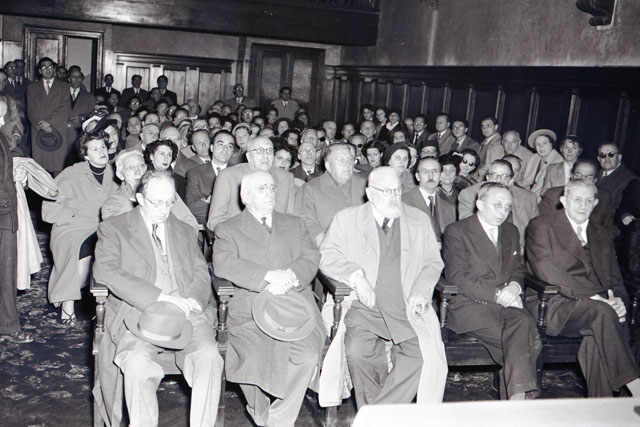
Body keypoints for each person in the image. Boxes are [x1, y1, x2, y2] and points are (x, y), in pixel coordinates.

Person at [93, 170, 223, 427]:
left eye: (169, 202)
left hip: (187, 314)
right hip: (138, 315)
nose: (164, 210)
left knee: (209, 357)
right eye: (157, 203)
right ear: (140, 199)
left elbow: (200, 271)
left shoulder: (184, 230)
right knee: (137, 364)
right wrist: (158, 297)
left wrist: (193, 299)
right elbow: (105, 271)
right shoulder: (114, 228)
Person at [319, 166, 447, 408]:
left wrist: (421, 290)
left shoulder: (418, 219)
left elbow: (433, 262)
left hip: (406, 307)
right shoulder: (347, 219)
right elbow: (327, 256)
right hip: (363, 307)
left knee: (423, 355)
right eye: (386, 191)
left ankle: (374, 416)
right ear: (369, 193)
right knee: (357, 351)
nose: (394, 197)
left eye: (397, 190)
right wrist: (356, 278)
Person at [213, 170, 323, 427]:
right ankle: (262, 413)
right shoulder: (228, 228)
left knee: (307, 356)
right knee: (251, 358)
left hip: (293, 306)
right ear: (245, 196)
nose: (270, 193)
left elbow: (311, 257)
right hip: (251, 307)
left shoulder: (295, 223)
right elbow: (223, 263)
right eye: (262, 188)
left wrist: (292, 276)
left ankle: (275, 420)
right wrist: (266, 276)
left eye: (272, 188)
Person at [527, 180, 640, 397]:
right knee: (602, 313)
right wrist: (596, 297)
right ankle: (634, 385)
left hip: (600, 310)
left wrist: (619, 301)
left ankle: (601, 404)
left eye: (589, 201)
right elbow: (547, 271)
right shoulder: (542, 226)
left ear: (596, 203)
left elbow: (615, 278)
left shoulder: (602, 233)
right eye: (577, 199)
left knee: (596, 335)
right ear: (564, 200)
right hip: (556, 304)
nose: (582, 205)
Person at [443, 182, 541, 399]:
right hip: (472, 306)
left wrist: (514, 287)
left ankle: (515, 404)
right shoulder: (457, 231)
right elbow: (458, 278)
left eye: (507, 207)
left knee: (525, 325)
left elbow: (517, 269)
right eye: (497, 205)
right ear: (479, 204)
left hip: (507, 303)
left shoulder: (511, 231)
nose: (503, 212)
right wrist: (497, 295)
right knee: (527, 342)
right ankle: (520, 402)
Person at [41, 131, 118, 324]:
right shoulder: (71, 174)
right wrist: (71, 215)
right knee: (80, 249)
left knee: (106, 248)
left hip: (104, 224)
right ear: (85, 155)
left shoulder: (116, 172)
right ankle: (68, 303)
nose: (101, 151)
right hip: (73, 226)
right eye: (95, 149)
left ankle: (82, 295)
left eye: (103, 147)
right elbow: (48, 210)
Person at [206, 136, 295, 231]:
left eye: (269, 151)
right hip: (240, 235)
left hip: (278, 235)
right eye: (259, 151)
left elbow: (291, 217)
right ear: (249, 156)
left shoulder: (286, 178)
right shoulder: (228, 176)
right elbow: (215, 220)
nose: (265, 155)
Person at [0, 94, 33, 343]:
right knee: (5, 271)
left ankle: (8, 325)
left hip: (6, 209)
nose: (3, 121)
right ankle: (8, 326)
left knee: (7, 272)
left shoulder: (1, 136)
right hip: (3, 211)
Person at [295, 143, 367, 246]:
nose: (347, 164)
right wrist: (324, 243)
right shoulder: (311, 189)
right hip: (327, 246)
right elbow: (305, 221)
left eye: (350, 159)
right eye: (341, 160)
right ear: (328, 165)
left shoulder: (364, 185)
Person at [458, 159, 538, 248]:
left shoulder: (528, 198)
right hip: (482, 248)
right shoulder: (469, 194)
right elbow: (468, 230)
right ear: (487, 178)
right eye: (494, 175)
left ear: (511, 181)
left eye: (504, 176)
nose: (498, 180)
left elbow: (536, 232)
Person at [538, 159, 614, 233]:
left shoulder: (603, 197)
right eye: (578, 175)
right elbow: (541, 225)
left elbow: (610, 229)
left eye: (588, 177)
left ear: (595, 180)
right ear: (572, 176)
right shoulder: (553, 195)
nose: (582, 180)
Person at [27, 57, 72, 175]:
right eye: (44, 67)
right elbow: (31, 110)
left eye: (50, 67)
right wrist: (41, 124)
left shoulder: (64, 87)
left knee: (58, 165)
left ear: (54, 69)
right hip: (39, 130)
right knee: (40, 167)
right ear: (39, 71)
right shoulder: (32, 88)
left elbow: (65, 108)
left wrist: (49, 123)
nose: (48, 69)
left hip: (58, 128)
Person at [186, 130, 234, 224]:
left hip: (233, 225)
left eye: (230, 146)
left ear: (232, 151)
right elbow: (192, 208)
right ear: (211, 148)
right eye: (221, 144)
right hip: (208, 225)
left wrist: (209, 201)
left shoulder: (239, 172)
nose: (225, 149)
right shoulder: (195, 173)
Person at [402, 157, 456, 241]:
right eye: (425, 172)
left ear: (440, 176)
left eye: (435, 171)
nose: (431, 176)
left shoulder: (449, 207)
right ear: (417, 176)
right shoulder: (403, 201)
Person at [520, 129, 563, 198]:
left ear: (551, 144)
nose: (541, 147)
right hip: (530, 194)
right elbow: (526, 180)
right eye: (538, 144)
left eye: (544, 143)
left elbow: (543, 189)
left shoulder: (558, 160)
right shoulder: (534, 157)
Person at [595, 141, 638, 210]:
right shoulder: (593, 174)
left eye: (611, 154)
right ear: (598, 159)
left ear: (619, 157)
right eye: (602, 155)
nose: (607, 159)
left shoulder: (630, 180)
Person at [66, 70, 96, 148]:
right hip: (61, 132)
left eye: (79, 77)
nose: (77, 79)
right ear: (69, 79)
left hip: (78, 133)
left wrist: (81, 118)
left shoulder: (89, 97)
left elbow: (92, 114)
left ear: (82, 79)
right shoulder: (60, 94)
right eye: (74, 76)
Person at [475, 116, 503, 181]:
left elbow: (491, 167)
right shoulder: (485, 142)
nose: (485, 129)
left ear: (496, 127)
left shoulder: (498, 143)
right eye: (483, 127)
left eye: (489, 126)